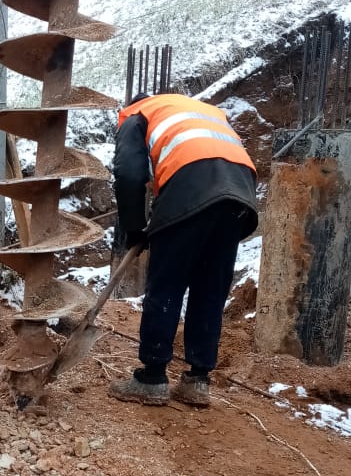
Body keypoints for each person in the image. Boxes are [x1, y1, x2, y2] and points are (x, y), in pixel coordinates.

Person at [109, 91, 258, 408]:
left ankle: (151, 378)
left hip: (192, 183)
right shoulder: (198, 111)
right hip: (240, 192)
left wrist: (134, 228)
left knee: (167, 283)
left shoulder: (136, 116)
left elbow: (128, 173)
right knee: (210, 289)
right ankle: (197, 380)